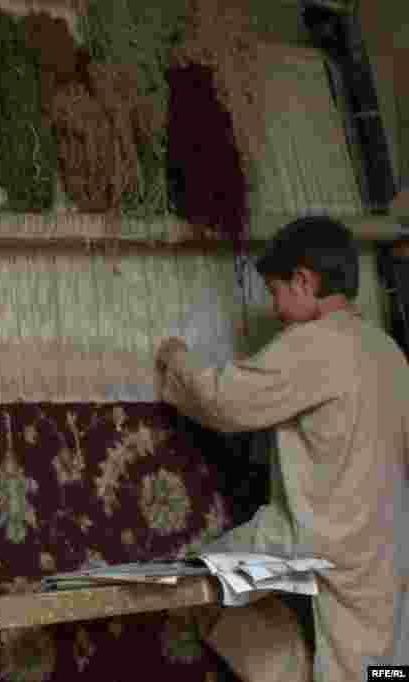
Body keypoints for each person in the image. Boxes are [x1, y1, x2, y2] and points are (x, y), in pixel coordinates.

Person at [155, 216, 409, 682]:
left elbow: (226, 400)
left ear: (304, 281)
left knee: (199, 583)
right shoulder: (388, 351)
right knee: (384, 670)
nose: (274, 308)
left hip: (317, 540)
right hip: (386, 549)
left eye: (275, 292)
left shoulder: (315, 345)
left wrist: (176, 361)